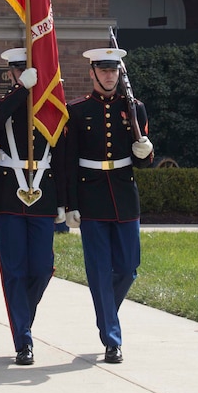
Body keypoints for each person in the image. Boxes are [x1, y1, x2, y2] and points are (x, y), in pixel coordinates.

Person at [63, 47, 154, 364]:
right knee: (100, 272)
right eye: (102, 70)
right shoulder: (76, 110)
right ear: (92, 73)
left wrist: (145, 152)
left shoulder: (135, 108)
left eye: (113, 70)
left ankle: (104, 312)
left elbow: (143, 164)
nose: (108, 75)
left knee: (129, 268)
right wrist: (70, 204)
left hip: (125, 196)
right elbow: (68, 162)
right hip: (91, 197)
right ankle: (112, 339)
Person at [0, 47, 66, 366]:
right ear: (11, 74)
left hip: (43, 191)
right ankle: (23, 339)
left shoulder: (49, 106)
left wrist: (64, 201)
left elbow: (60, 154)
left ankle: (23, 320)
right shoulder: (3, 103)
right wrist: (22, 89)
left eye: (28, 71)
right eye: (18, 71)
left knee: (43, 267)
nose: (23, 75)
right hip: (9, 192)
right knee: (14, 269)